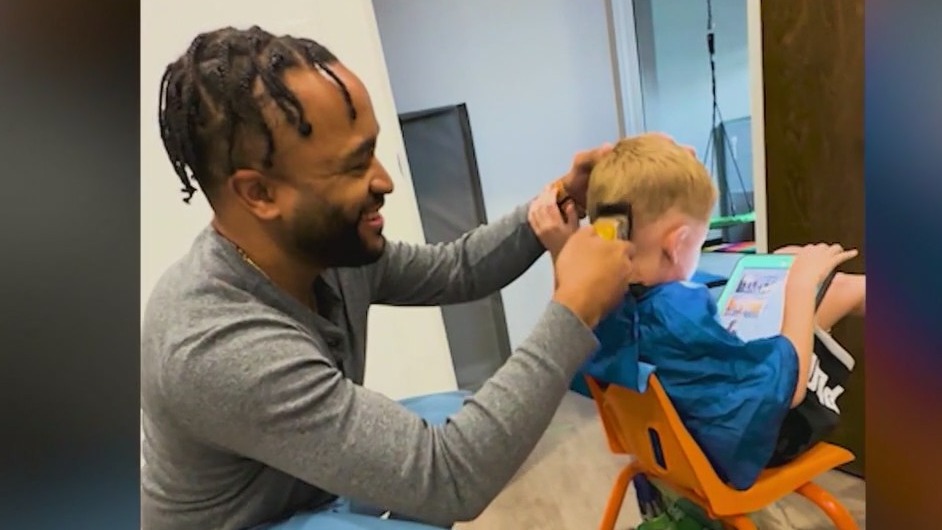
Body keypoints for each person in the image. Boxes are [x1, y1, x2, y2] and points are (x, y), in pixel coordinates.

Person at [141, 26, 644, 530]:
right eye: (355, 165)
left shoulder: (320, 253)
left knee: (451, 410)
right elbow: (451, 478)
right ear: (260, 194)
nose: (385, 181)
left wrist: (557, 202)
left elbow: (456, 270)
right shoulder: (215, 345)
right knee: (446, 459)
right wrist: (573, 308)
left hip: (306, 494)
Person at [579, 134, 865, 490]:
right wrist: (802, 285)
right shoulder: (680, 315)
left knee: (791, 295)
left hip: (672, 447)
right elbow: (786, 391)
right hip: (744, 445)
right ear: (678, 243)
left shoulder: (599, 303)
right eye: (698, 244)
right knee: (840, 290)